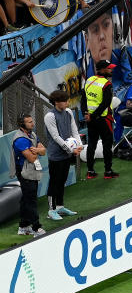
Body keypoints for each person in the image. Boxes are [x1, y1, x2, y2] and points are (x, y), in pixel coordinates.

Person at [43, 89, 82, 222]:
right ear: (56, 102)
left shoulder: (69, 112)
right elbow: (55, 137)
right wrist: (72, 151)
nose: (67, 103)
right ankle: (51, 210)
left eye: (67, 100)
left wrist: (79, 145)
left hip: (66, 153)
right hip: (55, 155)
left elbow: (74, 130)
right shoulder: (50, 116)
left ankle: (60, 207)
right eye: (64, 101)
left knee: (62, 181)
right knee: (54, 182)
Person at [82, 59, 119, 180]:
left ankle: (90, 171)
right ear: (102, 69)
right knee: (107, 145)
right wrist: (93, 115)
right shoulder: (106, 84)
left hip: (91, 120)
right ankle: (108, 172)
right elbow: (106, 103)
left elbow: (83, 99)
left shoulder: (89, 80)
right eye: (109, 68)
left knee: (91, 144)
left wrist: (86, 114)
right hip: (103, 119)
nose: (111, 69)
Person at [12, 113, 47, 236]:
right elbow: (32, 158)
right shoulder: (20, 139)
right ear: (22, 125)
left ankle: (23, 226)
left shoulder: (32, 134)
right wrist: (38, 150)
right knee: (31, 199)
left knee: (26, 198)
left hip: (31, 169)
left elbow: (43, 151)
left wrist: (36, 150)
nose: (32, 123)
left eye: (32, 121)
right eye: (29, 122)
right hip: (24, 171)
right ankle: (36, 228)